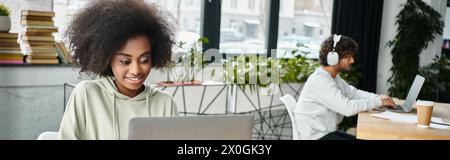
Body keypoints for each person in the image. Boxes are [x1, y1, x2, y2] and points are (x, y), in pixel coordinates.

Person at [57, 0, 178, 140]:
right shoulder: (87, 94)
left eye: (144, 60)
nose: (135, 70)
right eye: (125, 61)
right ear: (107, 58)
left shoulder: (165, 103)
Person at [294, 34, 396, 140]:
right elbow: (347, 108)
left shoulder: (332, 77)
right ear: (333, 58)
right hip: (317, 137)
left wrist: (378, 98)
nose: (352, 60)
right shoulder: (321, 81)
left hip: (326, 132)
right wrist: (378, 102)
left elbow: (353, 93)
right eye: (348, 56)